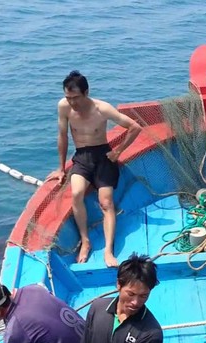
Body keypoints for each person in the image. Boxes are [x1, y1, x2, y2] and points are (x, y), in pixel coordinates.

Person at [50, 70, 142, 268]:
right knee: (76, 194)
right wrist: (60, 168)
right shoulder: (63, 107)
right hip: (81, 158)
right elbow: (63, 136)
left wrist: (118, 152)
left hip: (103, 157)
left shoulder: (102, 108)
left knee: (106, 202)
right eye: (68, 97)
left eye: (75, 97)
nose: (72, 102)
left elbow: (135, 127)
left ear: (86, 92)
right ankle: (86, 241)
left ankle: (108, 250)